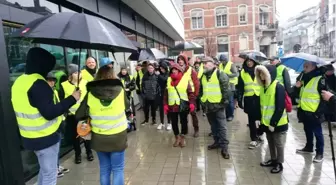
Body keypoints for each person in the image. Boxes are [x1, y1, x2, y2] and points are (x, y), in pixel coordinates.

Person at [11, 47, 80, 185]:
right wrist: (72, 98)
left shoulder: (19, 81)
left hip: (29, 137)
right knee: (50, 175)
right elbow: (49, 113)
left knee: (44, 171)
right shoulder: (38, 83)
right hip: (45, 138)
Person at [76, 65, 129, 185]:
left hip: (99, 137)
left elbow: (79, 114)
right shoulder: (120, 91)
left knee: (104, 169)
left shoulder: (90, 93)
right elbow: (127, 106)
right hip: (118, 136)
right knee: (118, 169)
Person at [255, 65, 288, 174]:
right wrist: (259, 119)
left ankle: (279, 163)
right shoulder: (263, 87)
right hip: (267, 122)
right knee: (270, 142)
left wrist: (273, 123)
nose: (261, 76)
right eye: (259, 73)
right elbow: (262, 105)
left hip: (277, 122)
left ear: (270, 74)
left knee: (279, 143)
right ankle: (273, 160)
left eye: (263, 73)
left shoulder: (278, 86)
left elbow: (280, 107)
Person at [59, 64, 94, 164]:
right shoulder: (64, 85)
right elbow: (62, 100)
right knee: (75, 136)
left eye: (79, 72)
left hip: (83, 114)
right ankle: (77, 154)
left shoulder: (86, 83)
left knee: (86, 134)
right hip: (71, 115)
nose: (78, 74)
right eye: (75, 73)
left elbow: (90, 97)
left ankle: (89, 152)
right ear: (70, 75)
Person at [295, 61, 326, 163]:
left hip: (315, 112)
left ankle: (320, 153)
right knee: (307, 130)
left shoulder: (320, 79)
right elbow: (298, 94)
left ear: (313, 66)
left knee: (318, 133)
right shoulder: (304, 77)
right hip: (304, 110)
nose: (304, 68)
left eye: (306, 66)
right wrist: (297, 87)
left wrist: (319, 112)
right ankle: (309, 147)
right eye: (304, 66)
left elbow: (324, 97)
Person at [200, 57, 230, 159]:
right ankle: (216, 142)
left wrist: (223, 103)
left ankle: (224, 147)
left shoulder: (220, 74)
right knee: (213, 126)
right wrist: (202, 101)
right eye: (203, 63)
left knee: (222, 126)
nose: (204, 65)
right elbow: (201, 90)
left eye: (207, 63)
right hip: (208, 105)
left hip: (218, 105)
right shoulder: (203, 76)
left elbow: (226, 90)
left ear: (213, 64)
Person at [164, 63, 195, 147]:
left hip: (183, 105)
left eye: (175, 69)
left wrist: (192, 103)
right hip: (172, 105)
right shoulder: (169, 80)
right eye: (172, 70)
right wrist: (165, 104)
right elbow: (166, 94)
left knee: (183, 121)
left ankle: (182, 137)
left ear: (179, 70)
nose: (173, 71)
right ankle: (177, 137)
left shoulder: (185, 79)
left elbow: (190, 93)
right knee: (174, 122)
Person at [45, 72, 70, 178]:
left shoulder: (54, 91)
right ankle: (53, 168)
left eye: (53, 80)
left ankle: (56, 165)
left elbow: (58, 104)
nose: (52, 82)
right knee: (52, 149)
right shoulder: (45, 93)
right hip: (51, 125)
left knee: (57, 147)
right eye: (49, 80)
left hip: (59, 122)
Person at [237, 56, 262, 149]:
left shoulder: (259, 70)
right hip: (249, 98)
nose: (249, 63)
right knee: (251, 120)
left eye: (251, 61)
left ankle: (259, 133)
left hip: (260, 97)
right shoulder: (243, 72)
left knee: (261, 118)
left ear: (255, 61)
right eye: (247, 61)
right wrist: (239, 99)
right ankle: (253, 138)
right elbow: (240, 87)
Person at [177, 54, 200, 137]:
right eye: (179, 59)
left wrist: (195, 94)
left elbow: (196, 82)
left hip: (191, 96)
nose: (180, 61)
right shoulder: (177, 70)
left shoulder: (191, 70)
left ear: (185, 61)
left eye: (182, 59)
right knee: (183, 114)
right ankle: (184, 130)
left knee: (193, 113)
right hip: (182, 96)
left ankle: (196, 129)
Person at [218, 54, 238, 121]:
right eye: (221, 61)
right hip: (223, 85)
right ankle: (227, 115)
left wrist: (227, 75)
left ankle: (231, 115)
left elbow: (236, 74)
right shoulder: (220, 65)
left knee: (230, 102)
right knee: (225, 101)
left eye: (223, 61)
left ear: (226, 60)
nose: (221, 62)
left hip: (230, 85)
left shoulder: (231, 65)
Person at [157, 61, 172, 130]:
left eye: (162, 68)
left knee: (168, 109)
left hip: (167, 94)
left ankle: (169, 123)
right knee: (161, 109)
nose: (161, 69)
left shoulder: (168, 74)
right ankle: (162, 123)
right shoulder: (159, 74)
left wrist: (158, 75)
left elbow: (165, 79)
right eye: (160, 68)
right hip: (160, 94)